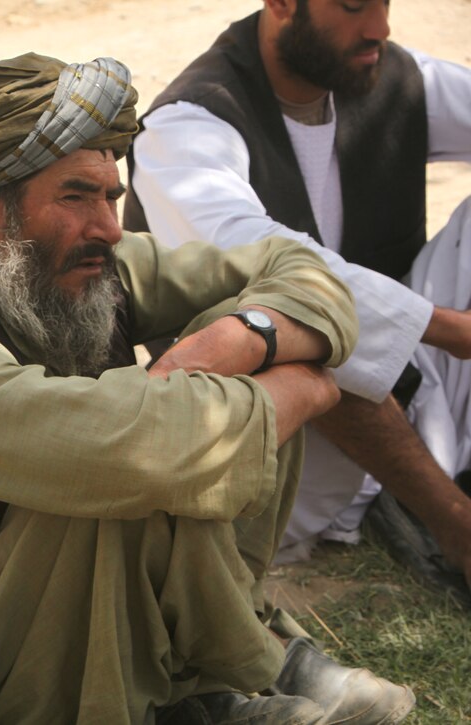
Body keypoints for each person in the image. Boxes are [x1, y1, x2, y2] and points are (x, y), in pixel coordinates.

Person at [0, 52, 411, 724]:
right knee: (103, 463)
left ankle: (196, 681)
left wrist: (243, 339)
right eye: (76, 197)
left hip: (37, 638)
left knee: (223, 332)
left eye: (111, 195)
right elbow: (136, 449)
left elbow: (298, 265)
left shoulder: (78, 265)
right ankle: (247, 660)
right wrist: (303, 389)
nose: (110, 227)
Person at [125, 0, 471, 599]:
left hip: (415, 392)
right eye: (355, 7)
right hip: (293, 449)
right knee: (286, 323)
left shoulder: (390, 75)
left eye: (386, 4)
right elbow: (264, 264)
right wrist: (450, 330)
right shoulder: (189, 126)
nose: (380, 29)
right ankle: (456, 527)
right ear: (283, 4)